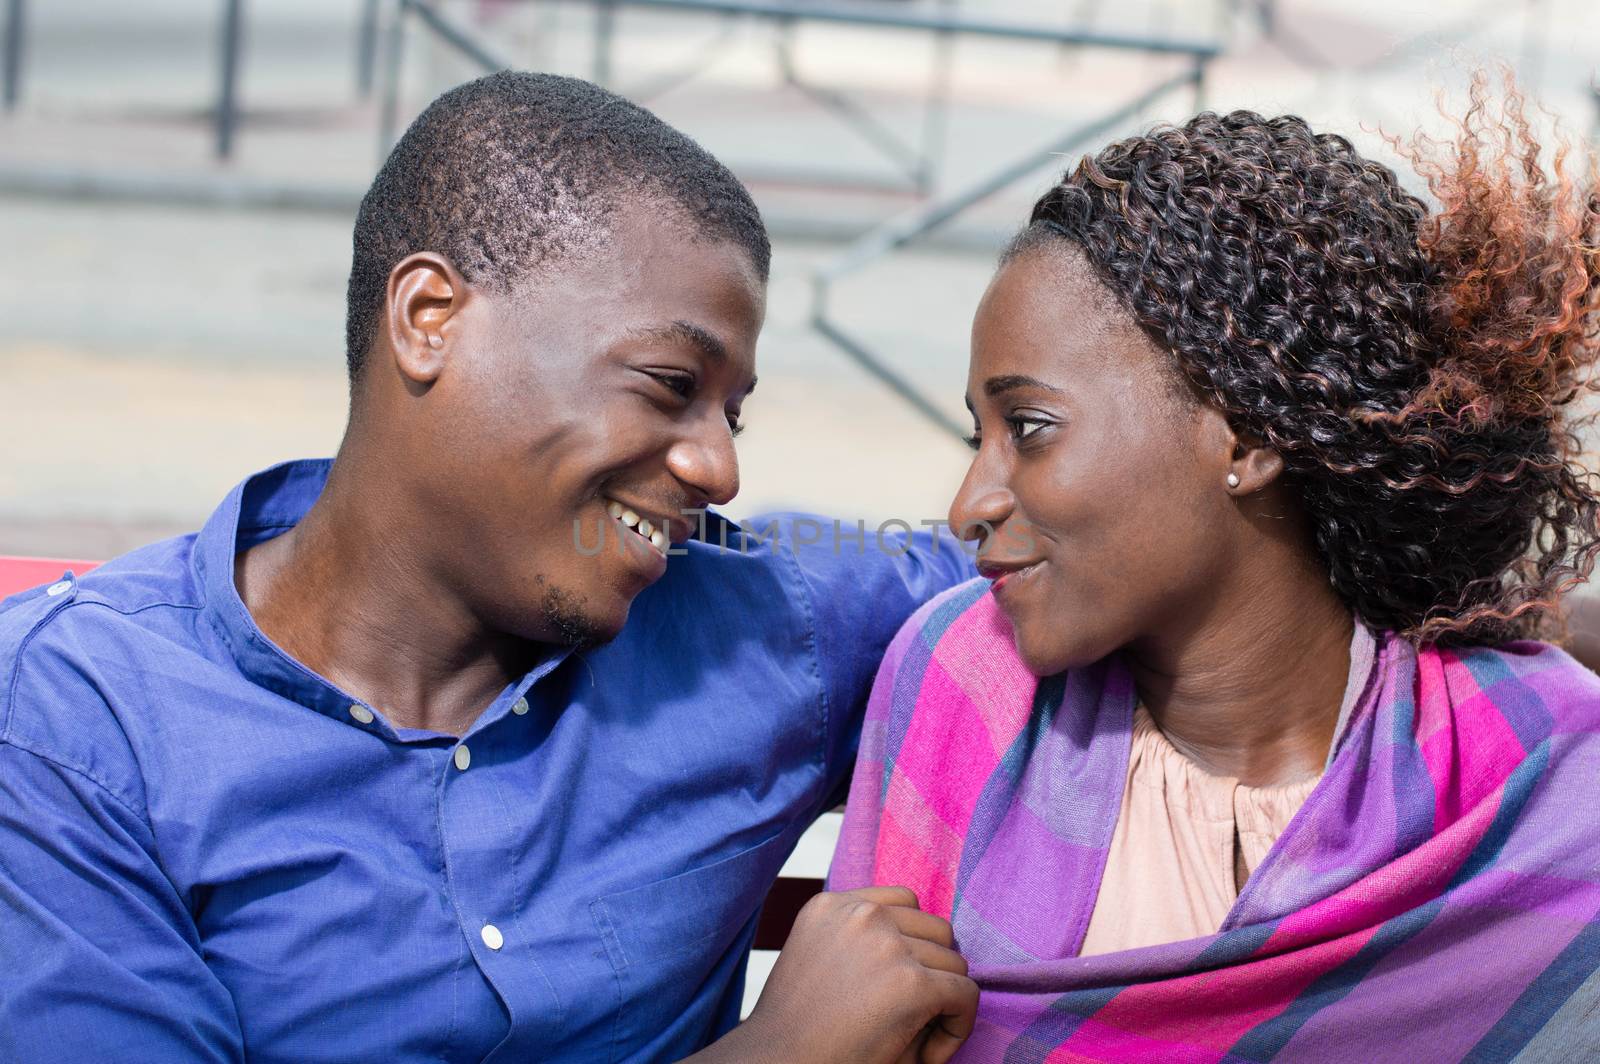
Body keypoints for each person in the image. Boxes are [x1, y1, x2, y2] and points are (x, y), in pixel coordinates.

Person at [0, 72, 979, 1063]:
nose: (718, 466)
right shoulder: (75, 720)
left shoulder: (768, 625)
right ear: (430, 318)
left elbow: (1074, 550)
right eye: (670, 385)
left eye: (730, 412)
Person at [830, 81, 1600, 1060]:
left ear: (1245, 433)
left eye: (1027, 426)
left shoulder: (1537, 766)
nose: (969, 503)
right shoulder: (958, 678)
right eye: (976, 435)